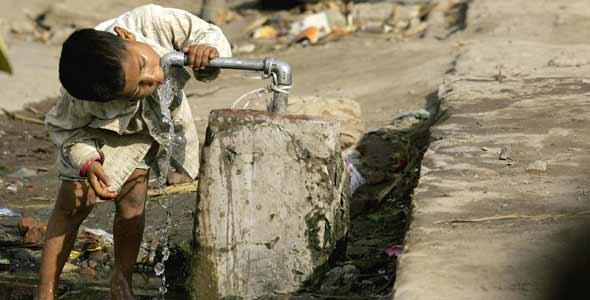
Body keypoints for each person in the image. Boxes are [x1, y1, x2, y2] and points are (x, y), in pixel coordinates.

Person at [37, 4, 231, 300]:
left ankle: (121, 279)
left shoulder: (153, 21)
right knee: (73, 202)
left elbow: (207, 32)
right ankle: (45, 289)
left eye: (145, 65)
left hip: (146, 122)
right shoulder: (81, 96)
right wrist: (87, 163)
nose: (155, 78)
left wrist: (207, 49)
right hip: (96, 129)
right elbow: (66, 131)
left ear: (126, 35)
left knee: (133, 199)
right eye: (140, 86)